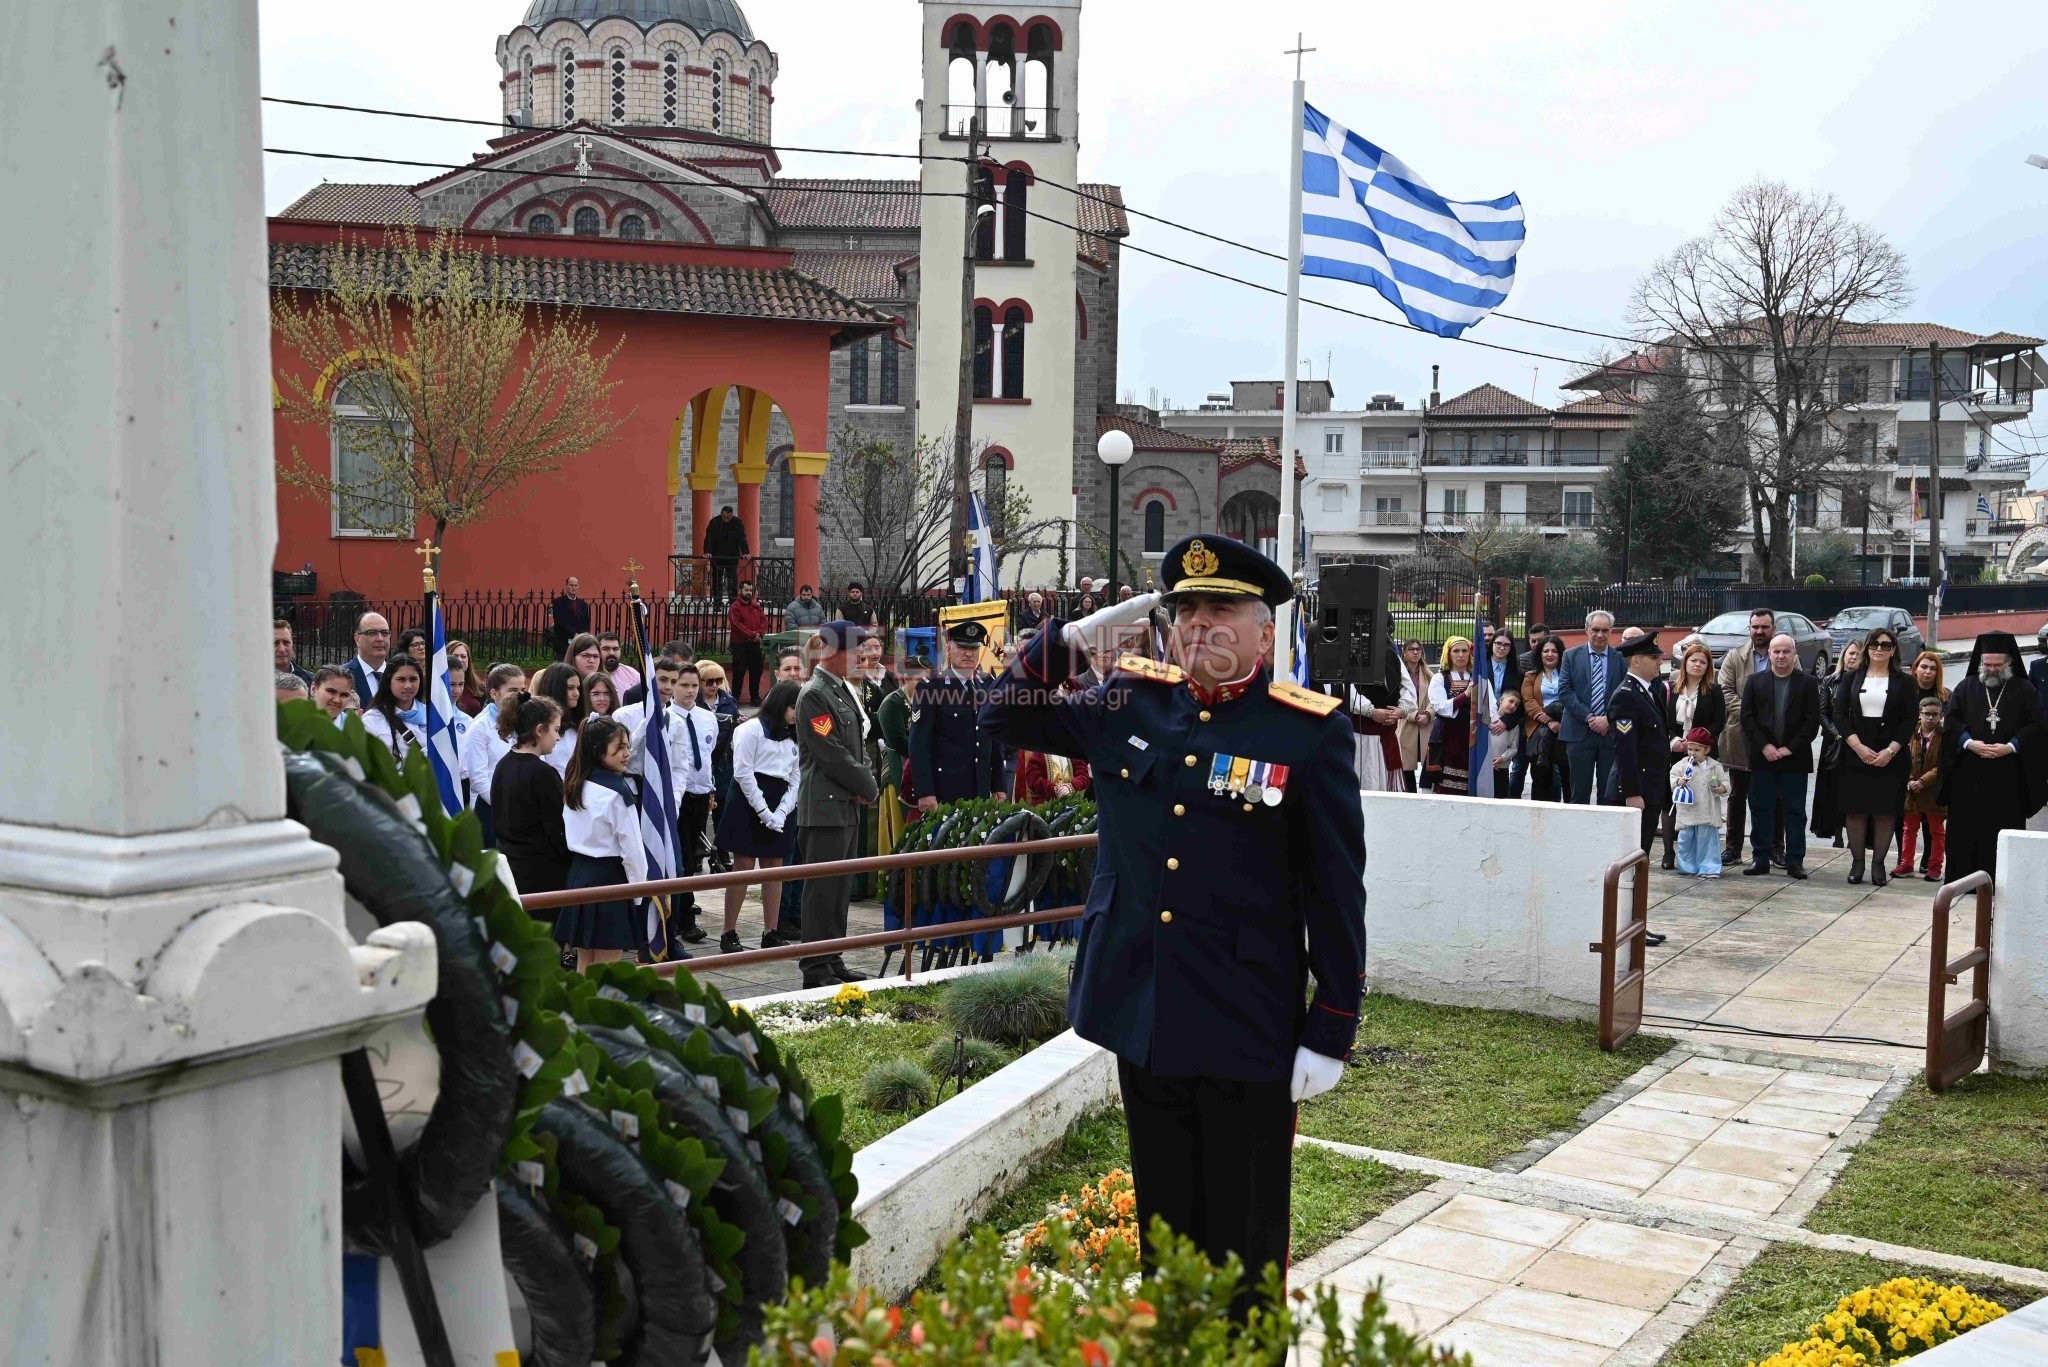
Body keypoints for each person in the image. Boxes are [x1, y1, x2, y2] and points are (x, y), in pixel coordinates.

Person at [980, 534, 1364, 1307]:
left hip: (1245, 1022)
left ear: (1264, 629)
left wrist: (1330, 1024)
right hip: (1143, 1010)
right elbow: (1001, 712)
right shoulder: (1131, 698)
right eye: (1186, 610)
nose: (1199, 626)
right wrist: (1072, 640)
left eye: (1221, 609)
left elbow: (1336, 889)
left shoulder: (1306, 731)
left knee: (1244, 1248)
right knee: (1167, 1240)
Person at [793, 622, 880, 987]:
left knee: (841, 886)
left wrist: (863, 782)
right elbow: (831, 753)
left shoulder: (843, 691)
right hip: (825, 805)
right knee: (822, 889)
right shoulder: (815, 694)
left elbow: (860, 747)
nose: (861, 657)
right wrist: (869, 786)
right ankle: (815, 967)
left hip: (845, 802)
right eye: (854, 650)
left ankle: (832, 956)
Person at [1940, 632, 2046, 882]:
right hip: (1969, 774)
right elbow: (1951, 722)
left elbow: (2037, 726)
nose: (1991, 670)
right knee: (1965, 831)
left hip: (2008, 776)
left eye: (1997, 666)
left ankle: (2002, 882)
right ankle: (1961, 882)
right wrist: (1969, 743)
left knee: (2002, 831)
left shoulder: (2025, 690)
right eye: (1987, 665)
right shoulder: (1966, 687)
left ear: (2009, 663)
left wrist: (2011, 746)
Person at [715, 679, 802, 952]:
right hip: (748, 798)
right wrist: (764, 812)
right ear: (780, 704)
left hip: (780, 799)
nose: (796, 714)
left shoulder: (794, 734)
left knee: (774, 868)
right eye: (792, 707)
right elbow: (742, 772)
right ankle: (729, 932)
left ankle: (771, 931)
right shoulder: (750, 729)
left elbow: (796, 777)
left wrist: (783, 810)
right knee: (742, 867)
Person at [554, 716, 647, 971]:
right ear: (598, 751)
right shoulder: (618, 792)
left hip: (579, 875)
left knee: (585, 962)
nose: (627, 753)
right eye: (619, 748)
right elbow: (633, 850)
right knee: (608, 967)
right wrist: (638, 893)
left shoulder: (575, 781)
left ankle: (581, 1010)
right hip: (610, 878)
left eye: (627, 746)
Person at [1831, 628, 1917, 885]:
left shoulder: (1904, 682)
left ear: (1893, 651)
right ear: (1867, 648)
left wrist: (1891, 750)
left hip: (1890, 756)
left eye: (1886, 645)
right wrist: (1856, 746)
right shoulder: (1851, 678)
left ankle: (1878, 865)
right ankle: (1857, 864)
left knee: (1884, 812)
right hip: (1856, 752)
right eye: (1875, 644)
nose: (1879, 649)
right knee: (1855, 811)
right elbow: (1839, 714)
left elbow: (1910, 719)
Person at [1740, 634, 1823, 879]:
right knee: (1760, 808)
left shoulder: (1807, 683)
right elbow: (1747, 718)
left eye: (1786, 651)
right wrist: (1765, 746)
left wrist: (1790, 748)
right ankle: (1760, 858)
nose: (1781, 656)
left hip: (1794, 758)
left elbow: (1812, 721)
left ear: (1794, 654)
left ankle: (1795, 860)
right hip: (1762, 757)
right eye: (1776, 651)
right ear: (1770, 654)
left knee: (1795, 811)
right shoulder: (1755, 681)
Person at [910, 620, 1004, 809]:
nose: (969, 653)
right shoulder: (931, 686)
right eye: (962, 647)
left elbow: (993, 740)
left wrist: (999, 785)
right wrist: (925, 792)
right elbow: (919, 743)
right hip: (946, 791)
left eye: (974, 648)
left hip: (981, 790)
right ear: (948, 648)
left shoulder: (987, 684)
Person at [492, 692, 570, 911]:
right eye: (555, 730)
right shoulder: (542, 773)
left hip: (509, 869)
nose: (557, 737)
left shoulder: (503, 764)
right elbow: (557, 828)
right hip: (540, 875)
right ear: (539, 730)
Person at [1718, 608, 1780, 868]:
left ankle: (1775, 849)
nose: (1759, 632)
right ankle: (1733, 848)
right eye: (1755, 627)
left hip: (1774, 738)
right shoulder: (1735, 657)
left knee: (1773, 796)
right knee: (1737, 794)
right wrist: (1751, 716)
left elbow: (1794, 688)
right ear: (1749, 628)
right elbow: (1725, 690)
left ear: (1773, 628)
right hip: (1741, 735)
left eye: (1764, 627)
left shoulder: (1785, 653)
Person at [1611, 632, 1674, 882]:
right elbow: (1625, 749)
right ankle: (1626, 916)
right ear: (1636, 661)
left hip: (1651, 788)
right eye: (1653, 657)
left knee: (1641, 856)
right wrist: (1632, 793)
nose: (1660, 661)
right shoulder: (1626, 695)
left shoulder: (1647, 691)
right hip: (1639, 792)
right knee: (1631, 864)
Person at [667, 663, 720, 945]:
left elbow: (708, 755)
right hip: (679, 796)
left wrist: (709, 789)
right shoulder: (667, 718)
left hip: (700, 795)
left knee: (693, 859)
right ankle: (681, 920)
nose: (689, 691)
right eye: (683, 685)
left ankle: (684, 915)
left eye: (693, 686)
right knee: (681, 860)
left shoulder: (705, 717)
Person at [1660, 642, 1725, 867]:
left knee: (1698, 801)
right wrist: (1674, 740)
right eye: (1693, 660)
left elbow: (1719, 722)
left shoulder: (1714, 690)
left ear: (1708, 666)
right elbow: (1662, 719)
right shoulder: (1669, 688)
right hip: (1674, 751)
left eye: (1702, 661)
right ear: (1685, 662)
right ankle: (1668, 853)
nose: (1697, 665)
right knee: (1670, 800)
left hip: (1702, 753)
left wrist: (1698, 742)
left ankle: (1697, 855)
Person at [1560, 611, 1624, 804]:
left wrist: (1608, 719)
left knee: (1608, 794)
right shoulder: (1570, 656)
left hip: (1610, 734)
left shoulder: (1619, 658)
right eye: (1595, 629)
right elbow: (1565, 691)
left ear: (1611, 632)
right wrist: (1589, 717)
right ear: (1587, 630)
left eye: (1605, 630)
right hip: (1578, 732)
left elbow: (1625, 694)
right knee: (1579, 793)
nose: (1600, 634)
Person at [461, 663, 526, 845]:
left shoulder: (525, 721)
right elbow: (479, 778)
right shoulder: (479, 727)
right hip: (492, 811)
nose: (520, 695)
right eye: (512, 690)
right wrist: (509, 807)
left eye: (523, 689)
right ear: (494, 694)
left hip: (523, 809)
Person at [1809, 639, 1863, 853]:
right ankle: (1837, 835)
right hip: (1834, 743)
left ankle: (1854, 837)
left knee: (1854, 793)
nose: (1853, 657)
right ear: (1843, 655)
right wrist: (1839, 734)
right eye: (1850, 653)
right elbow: (1822, 713)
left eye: (1857, 654)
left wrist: (1854, 737)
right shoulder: (1830, 680)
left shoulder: (1866, 681)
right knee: (1832, 790)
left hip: (1859, 744)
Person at [1894, 696, 1948, 882]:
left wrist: (1923, 781)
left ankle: (1935, 867)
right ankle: (1906, 864)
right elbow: (1903, 758)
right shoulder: (1910, 733)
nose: (1930, 718)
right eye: (1926, 714)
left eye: (1935, 715)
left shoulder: (1945, 735)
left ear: (1941, 715)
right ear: (1920, 714)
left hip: (1933, 789)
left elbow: (1944, 765)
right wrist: (1910, 780)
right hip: (1912, 789)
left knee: (1937, 830)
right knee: (1909, 828)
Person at [1669, 727, 1731, 878]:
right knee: (1686, 840)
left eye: (1697, 750)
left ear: (1707, 750)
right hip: (1687, 810)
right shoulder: (1683, 764)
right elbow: (1671, 777)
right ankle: (1687, 866)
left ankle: (1709, 867)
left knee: (1707, 842)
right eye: (1690, 749)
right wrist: (1678, 781)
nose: (1692, 753)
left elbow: (1726, 784)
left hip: (1707, 812)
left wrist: (1720, 789)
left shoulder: (1714, 766)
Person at [1519, 635, 1571, 802]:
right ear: (1539, 654)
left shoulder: (1569, 674)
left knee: (1568, 777)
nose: (1550, 654)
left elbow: (1574, 697)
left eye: (1554, 651)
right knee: (1541, 778)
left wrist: (1562, 722)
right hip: (1539, 728)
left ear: (1560, 653)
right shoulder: (1531, 676)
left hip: (1566, 727)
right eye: (1546, 651)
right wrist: (1549, 721)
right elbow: (1528, 701)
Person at [1425, 637, 1476, 795]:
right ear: (1448, 654)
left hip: (1471, 738)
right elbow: (1440, 707)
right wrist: (1465, 695)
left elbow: (1491, 707)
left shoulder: (1477, 678)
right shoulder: (1440, 678)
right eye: (1456, 651)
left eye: (1464, 651)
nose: (1460, 655)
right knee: (1443, 786)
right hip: (1446, 738)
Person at [876, 656, 927, 812]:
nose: (925, 685)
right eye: (920, 680)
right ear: (906, 678)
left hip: (920, 765)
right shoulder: (893, 702)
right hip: (898, 767)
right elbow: (898, 742)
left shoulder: (929, 700)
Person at [361, 656, 428, 763]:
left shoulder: (431, 716)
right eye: (401, 679)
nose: (408, 686)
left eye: (413, 679)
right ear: (388, 682)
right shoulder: (372, 720)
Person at [1481, 630, 1524, 797]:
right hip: (1483, 721)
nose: (1501, 647)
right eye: (1498, 643)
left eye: (1506, 645)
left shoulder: (1517, 672)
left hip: (1505, 724)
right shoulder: (1481, 667)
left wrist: (1505, 721)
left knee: (1499, 772)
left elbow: (1521, 705)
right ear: (1492, 644)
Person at [532, 663, 586, 776]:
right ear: (556, 688)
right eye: (570, 688)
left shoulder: (581, 724)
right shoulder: (537, 726)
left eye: (578, 688)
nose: (576, 693)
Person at [1395, 638, 1433, 793]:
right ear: (1404, 653)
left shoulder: (1429, 674)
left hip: (1425, 724)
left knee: (1428, 763)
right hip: (1406, 723)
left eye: (1418, 649)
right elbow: (1397, 698)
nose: (1416, 652)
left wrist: (1429, 714)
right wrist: (1413, 715)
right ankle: (1409, 795)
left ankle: (1427, 794)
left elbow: (1435, 698)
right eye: (1411, 649)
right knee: (1406, 767)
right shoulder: (1398, 674)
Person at [728, 582, 770, 705]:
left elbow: (764, 621)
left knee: (756, 670)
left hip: (754, 644)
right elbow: (736, 625)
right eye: (746, 590)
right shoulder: (735, 607)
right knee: (739, 671)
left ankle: (755, 697)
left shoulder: (756, 606)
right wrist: (752, 634)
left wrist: (759, 633)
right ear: (740, 590)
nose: (749, 593)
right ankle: (735, 698)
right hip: (739, 644)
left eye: (750, 590)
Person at [345, 611, 392, 713]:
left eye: (385, 633)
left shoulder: (399, 675)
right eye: (372, 633)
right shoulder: (342, 675)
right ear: (357, 639)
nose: (380, 639)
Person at [703, 504, 749, 602]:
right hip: (717, 556)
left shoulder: (737, 522)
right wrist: (707, 551)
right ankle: (717, 602)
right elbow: (709, 538)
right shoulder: (714, 522)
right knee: (716, 580)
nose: (726, 519)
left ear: (731, 515)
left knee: (732, 580)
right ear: (721, 514)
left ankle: (732, 602)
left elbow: (742, 538)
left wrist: (745, 552)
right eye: (724, 517)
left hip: (732, 557)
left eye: (728, 518)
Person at [550, 576, 591, 659]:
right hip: (563, 641)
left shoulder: (583, 604)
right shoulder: (558, 602)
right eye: (571, 585)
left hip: (579, 641)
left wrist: (583, 635)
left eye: (576, 585)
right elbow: (560, 621)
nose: (573, 587)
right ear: (566, 586)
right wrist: (574, 634)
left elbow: (586, 622)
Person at [445, 640, 486, 716]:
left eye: (463, 656)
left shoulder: (479, 687)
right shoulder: (439, 684)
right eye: (455, 656)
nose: (460, 659)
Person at [598, 631, 640, 699]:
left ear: (620, 650)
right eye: (606, 649)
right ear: (597, 650)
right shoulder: (590, 673)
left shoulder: (633, 675)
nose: (611, 653)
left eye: (615, 649)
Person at [274, 619, 314, 686]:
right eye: (275, 643)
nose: (282, 649)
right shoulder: (253, 681)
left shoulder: (311, 680)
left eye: (286, 642)